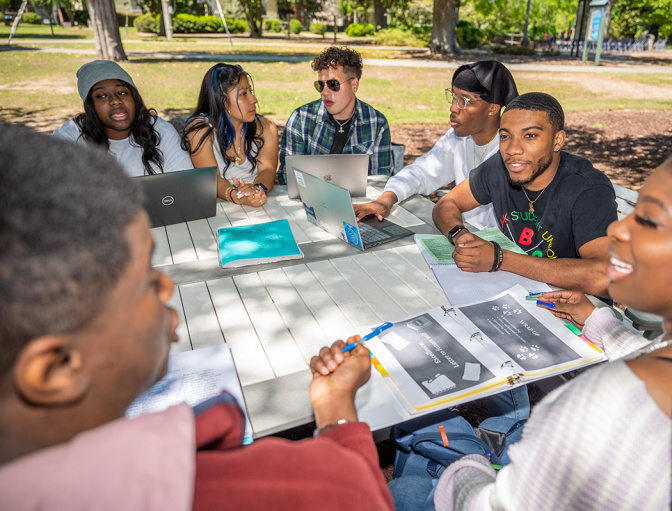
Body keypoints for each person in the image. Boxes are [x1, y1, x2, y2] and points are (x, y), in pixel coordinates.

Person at [0, 124, 393, 511]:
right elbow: (353, 492)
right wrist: (335, 403)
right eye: (145, 284)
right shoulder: (226, 488)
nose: (168, 287)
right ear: (55, 369)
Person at [430, 141, 672, 510]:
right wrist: (599, 319)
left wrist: (466, 463)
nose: (620, 230)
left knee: (419, 465)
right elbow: (654, 354)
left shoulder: (604, 402)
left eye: (648, 220)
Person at [433, 92, 617, 298]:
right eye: (505, 136)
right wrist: (459, 234)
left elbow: (606, 277)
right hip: (511, 289)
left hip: (573, 309)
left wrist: (501, 259)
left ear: (558, 140)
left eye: (530, 135)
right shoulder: (501, 168)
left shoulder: (588, 189)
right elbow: (447, 202)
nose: (513, 149)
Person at [354, 61, 518, 230]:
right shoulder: (458, 139)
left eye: (464, 100)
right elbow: (422, 172)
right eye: (454, 97)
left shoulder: (514, 153)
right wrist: (385, 200)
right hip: (467, 236)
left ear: (492, 109)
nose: (453, 107)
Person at [52, 60, 193, 176]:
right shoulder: (69, 137)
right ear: (91, 106)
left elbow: (183, 182)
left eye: (122, 92)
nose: (115, 100)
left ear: (134, 98)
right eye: (101, 96)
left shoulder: (160, 129)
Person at [278, 46, 392, 184]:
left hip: (360, 203)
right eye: (320, 85)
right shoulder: (301, 119)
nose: (325, 92)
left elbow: (381, 180)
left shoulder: (376, 123)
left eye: (333, 84)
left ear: (354, 85)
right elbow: (287, 177)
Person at [183, 63, 279, 208]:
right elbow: (211, 178)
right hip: (216, 210)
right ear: (223, 101)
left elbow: (268, 170)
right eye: (243, 94)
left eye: (251, 92)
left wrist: (257, 189)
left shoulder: (265, 127)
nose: (254, 100)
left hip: (260, 207)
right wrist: (237, 196)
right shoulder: (200, 131)